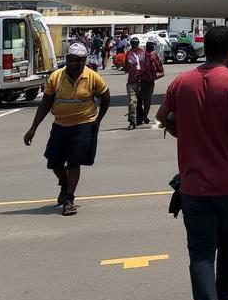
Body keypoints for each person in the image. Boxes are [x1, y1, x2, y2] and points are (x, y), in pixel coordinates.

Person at [157, 26, 228, 300]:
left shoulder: (182, 81)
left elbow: (161, 116)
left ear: (205, 47)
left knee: (201, 253)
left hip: (194, 185)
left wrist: (180, 131)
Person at [23, 42, 111, 216]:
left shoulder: (93, 77)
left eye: (80, 61)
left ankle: (69, 199)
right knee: (54, 162)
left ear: (85, 60)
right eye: (72, 60)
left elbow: (106, 96)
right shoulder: (56, 77)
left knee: (73, 162)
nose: (75, 64)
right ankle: (64, 184)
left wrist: (98, 120)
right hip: (60, 125)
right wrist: (33, 128)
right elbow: (46, 103)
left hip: (84, 124)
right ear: (67, 59)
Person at [125, 36, 149, 129]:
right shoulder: (129, 54)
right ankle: (132, 121)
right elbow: (126, 67)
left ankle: (140, 118)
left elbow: (147, 66)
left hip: (142, 81)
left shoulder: (143, 53)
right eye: (133, 43)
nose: (134, 45)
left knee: (140, 101)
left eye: (135, 43)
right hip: (132, 81)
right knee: (132, 101)